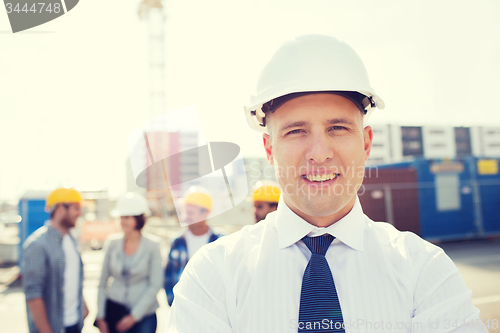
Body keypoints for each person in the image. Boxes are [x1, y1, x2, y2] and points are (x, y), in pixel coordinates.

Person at [165, 35, 487, 332]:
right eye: (296, 131)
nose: (319, 154)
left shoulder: (426, 275)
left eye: (337, 128)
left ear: (365, 143)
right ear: (269, 149)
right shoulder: (212, 279)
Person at [22, 187, 88, 333]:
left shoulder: (71, 239)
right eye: (76, 208)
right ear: (60, 209)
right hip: (54, 328)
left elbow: (71, 277)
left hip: (74, 323)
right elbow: (33, 294)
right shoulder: (37, 245)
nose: (79, 213)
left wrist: (83, 304)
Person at [95, 192, 163, 333]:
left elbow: (155, 285)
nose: (122, 222)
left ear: (138, 219)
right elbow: (102, 282)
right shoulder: (112, 243)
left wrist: (134, 316)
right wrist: (100, 316)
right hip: (114, 312)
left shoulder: (153, 245)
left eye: (126, 217)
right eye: (121, 217)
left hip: (144, 316)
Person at [164, 187, 224, 306]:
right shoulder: (177, 242)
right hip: (183, 308)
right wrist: (174, 304)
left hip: (214, 310)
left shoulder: (222, 242)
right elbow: (168, 277)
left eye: (190, 212)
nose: (185, 217)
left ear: (205, 213)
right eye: (184, 212)